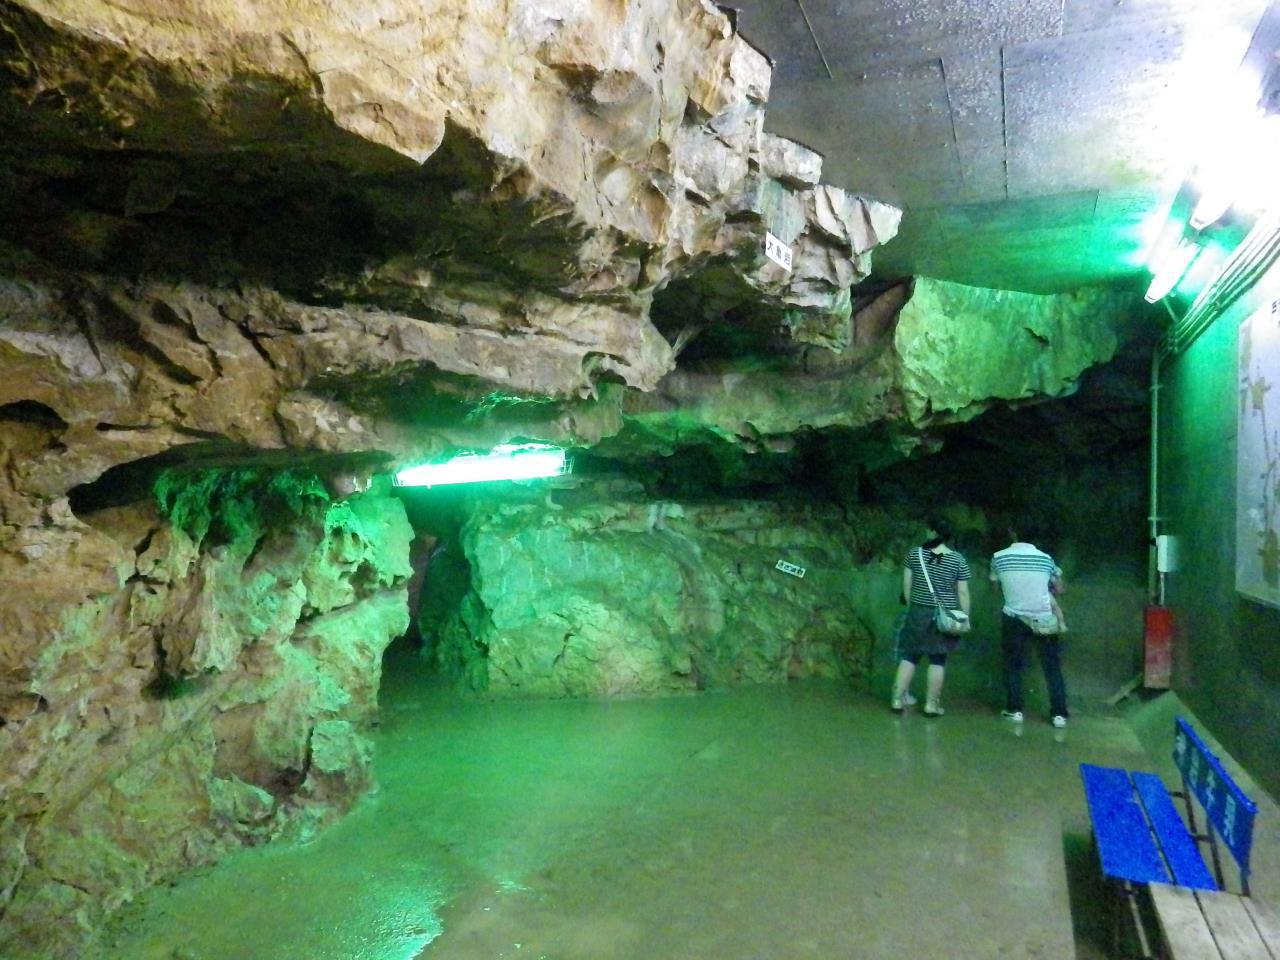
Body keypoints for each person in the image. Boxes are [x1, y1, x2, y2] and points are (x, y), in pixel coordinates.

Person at [989, 528, 1069, 727]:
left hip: (1014, 618)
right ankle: (1059, 715)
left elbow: (994, 587)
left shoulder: (998, 557)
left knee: (1013, 666)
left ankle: (1015, 710)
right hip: (1044, 619)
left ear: (1013, 534)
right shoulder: (1046, 559)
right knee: (1052, 668)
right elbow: (1060, 588)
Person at [891, 519, 971, 717]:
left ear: (933, 531)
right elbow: (963, 593)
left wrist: (913, 608)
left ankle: (897, 699)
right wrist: (964, 617)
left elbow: (906, 587)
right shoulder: (957, 559)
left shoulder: (915, 554)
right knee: (937, 660)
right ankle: (931, 705)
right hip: (944, 616)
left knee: (909, 656)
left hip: (918, 611)